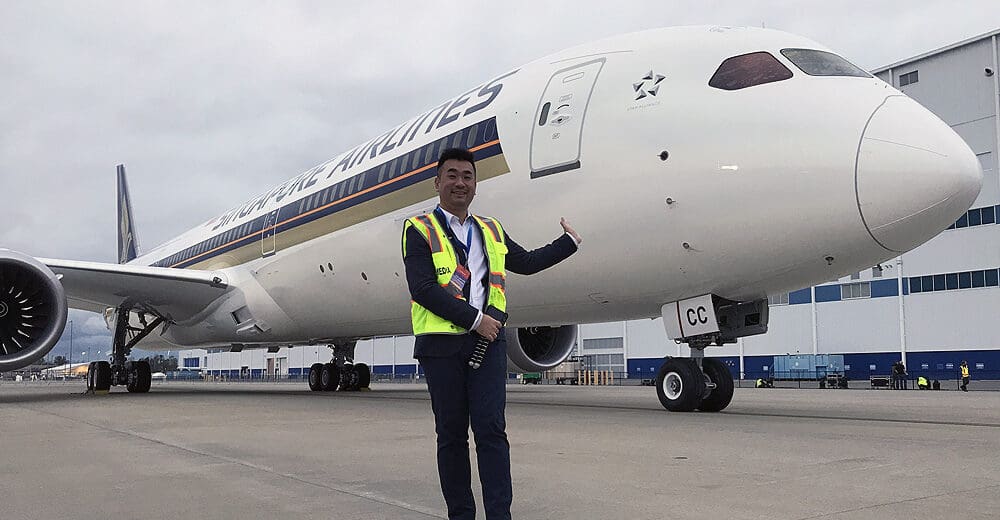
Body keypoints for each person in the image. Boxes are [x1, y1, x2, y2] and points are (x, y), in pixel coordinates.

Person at [402, 147, 581, 520]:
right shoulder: (418, 229)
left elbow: (527, 263)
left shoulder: (491, 229)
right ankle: (461, 515)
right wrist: (475, 320)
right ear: (437, 183)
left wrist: (568, 244)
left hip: (488, 345)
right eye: (451, 175)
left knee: (492, 433)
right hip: (442, 347)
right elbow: (423, 289)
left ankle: (500, 515)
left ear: (475, 185)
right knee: (451, 437)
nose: (460, 183)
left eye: (467, 177)